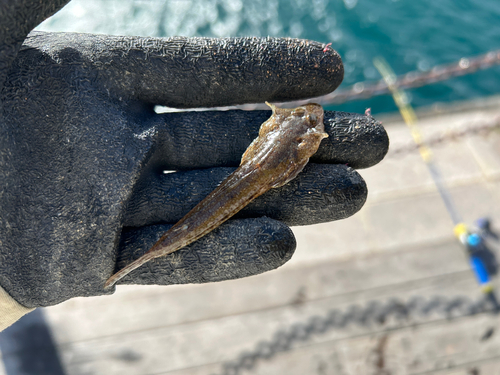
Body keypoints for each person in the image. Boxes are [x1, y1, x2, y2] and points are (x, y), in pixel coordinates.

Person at [0, 0, 388, 330]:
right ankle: (136, 261)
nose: (311, 123)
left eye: (308, 131)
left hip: (251, 175)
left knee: (211, 215)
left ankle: (137, 261)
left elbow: (280, 152)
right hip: (250, 174)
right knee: (193, 226)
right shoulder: (286, 149)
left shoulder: (281, 152)